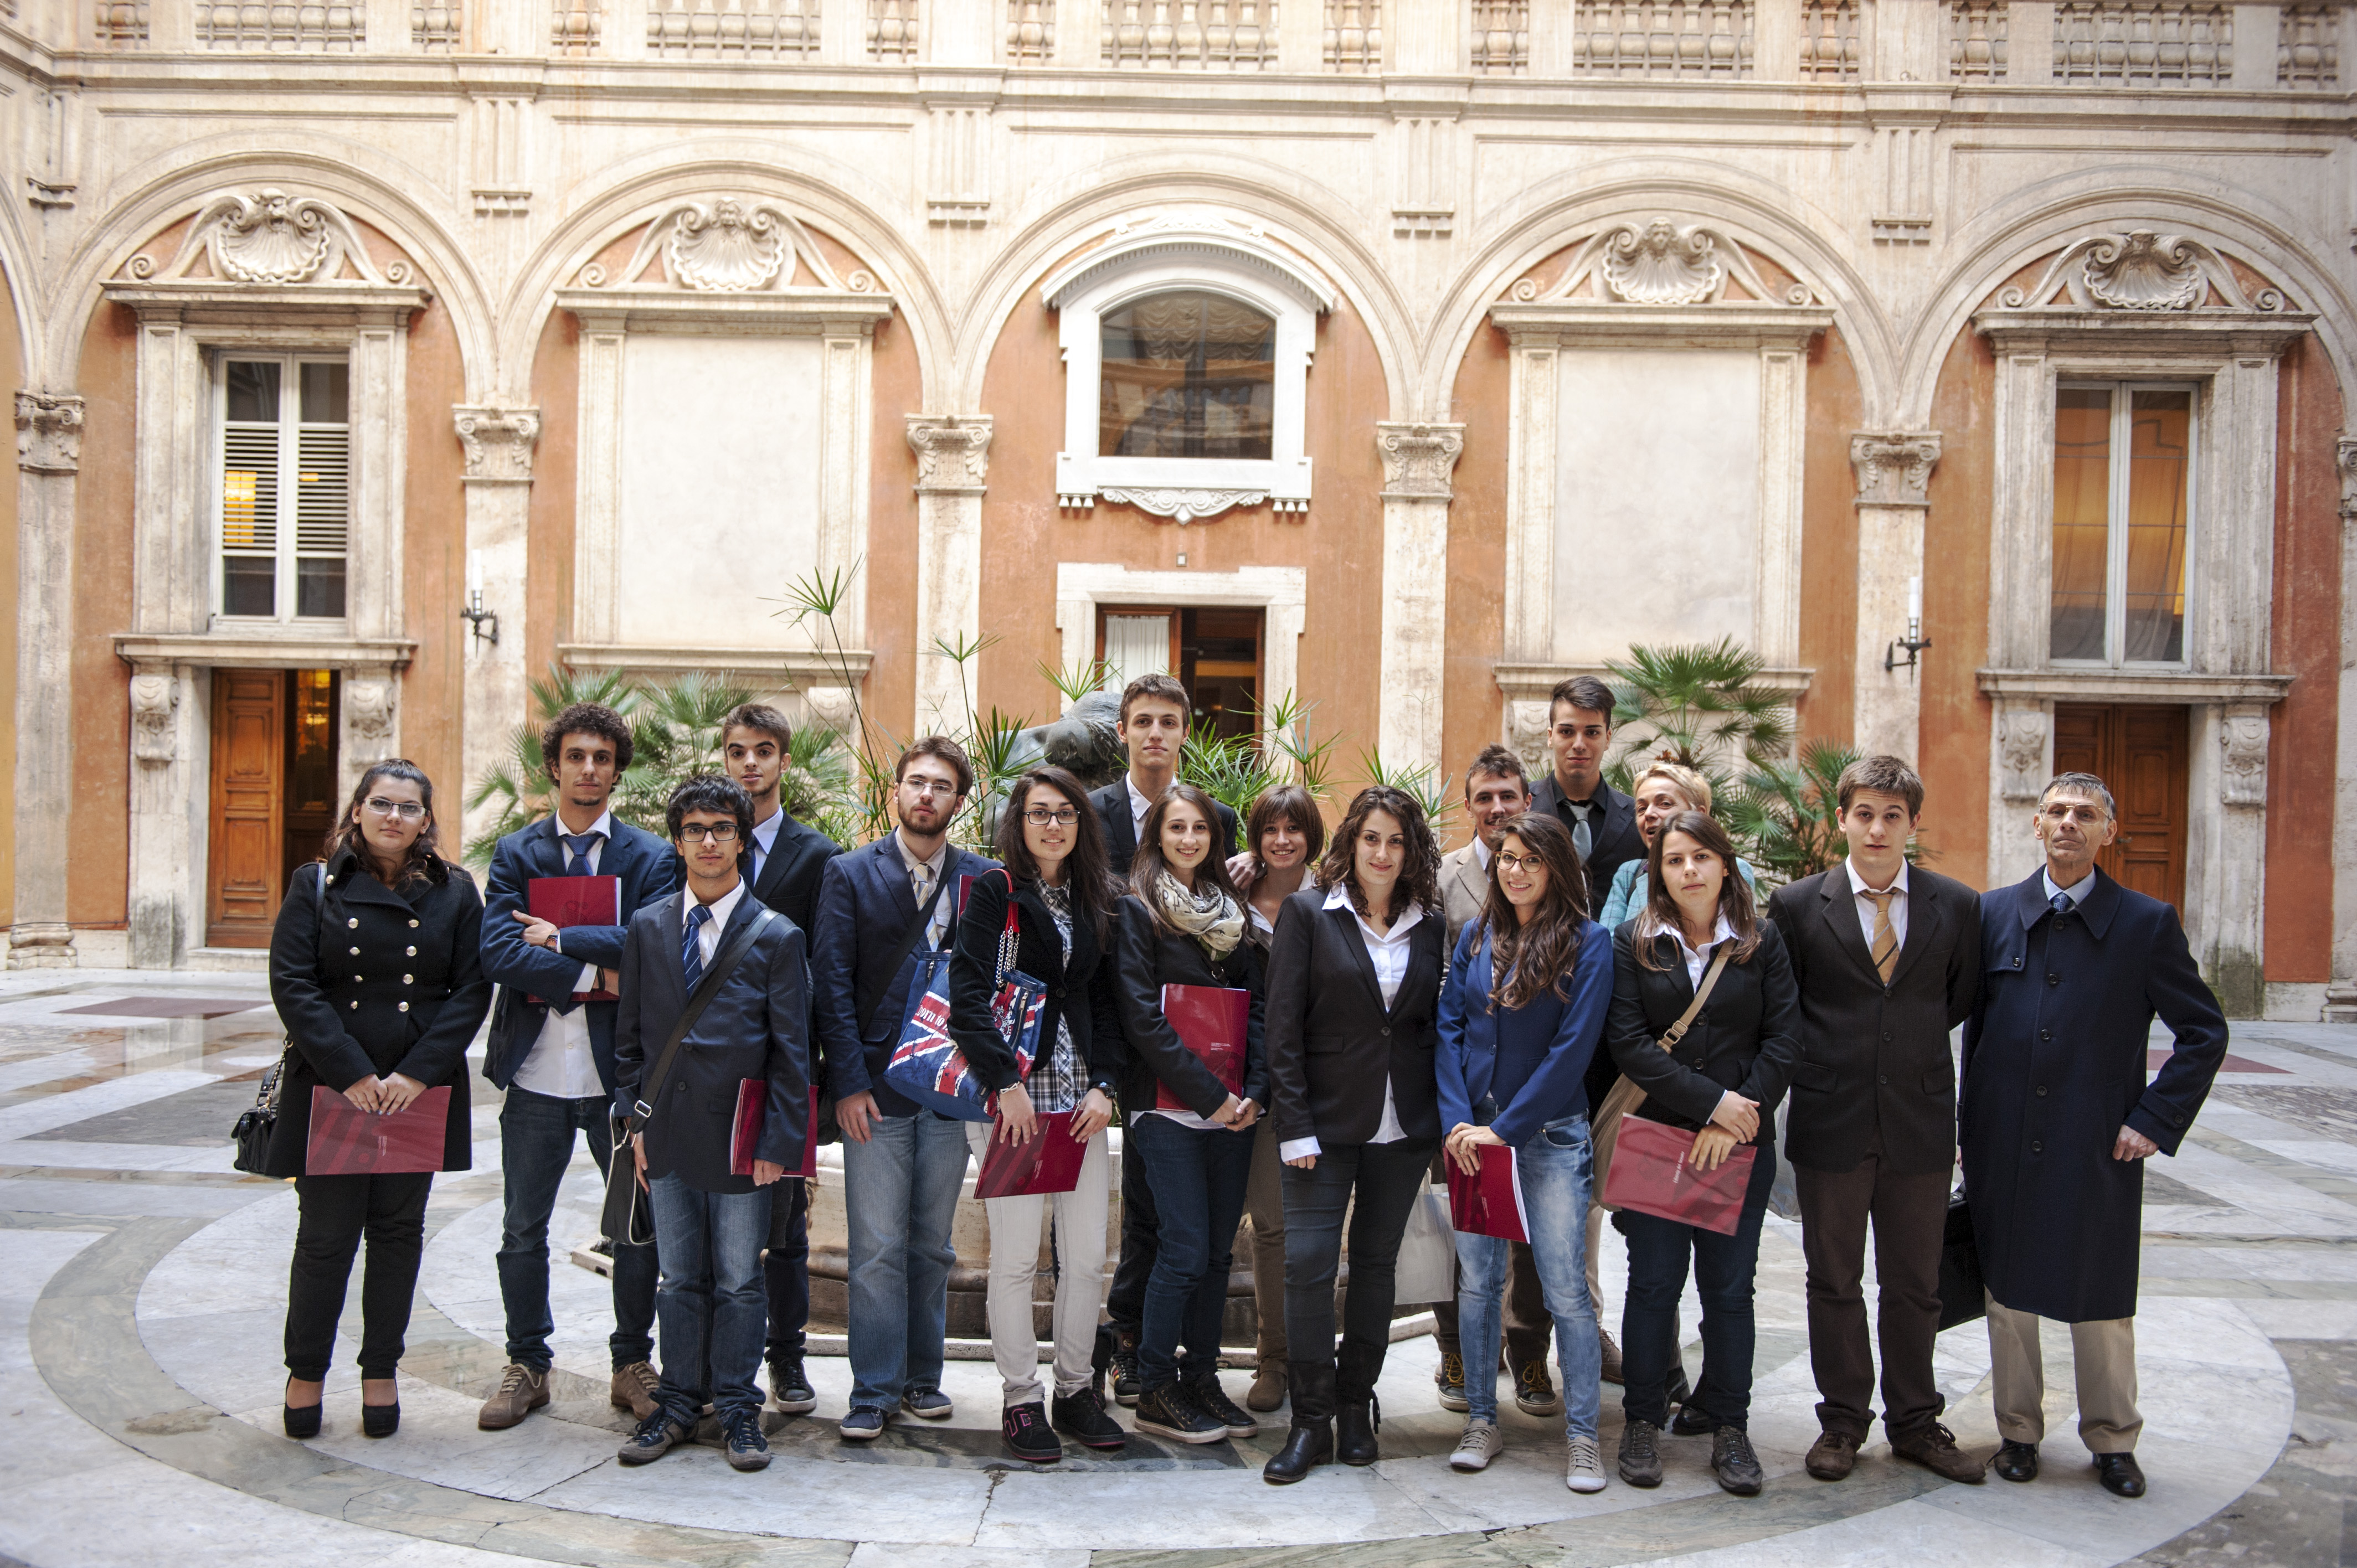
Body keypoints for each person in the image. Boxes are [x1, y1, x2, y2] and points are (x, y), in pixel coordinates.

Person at [1963, 772, 2228, 1499]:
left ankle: (2112, 1437)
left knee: (2099, 1296)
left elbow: (2204, 1032)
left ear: (2110, 833)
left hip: (2096, 1141)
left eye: (2086, 814)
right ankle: (2018, 1431)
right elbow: (1976, 1033)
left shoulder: (2146, 924)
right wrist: (1967, 1127)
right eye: (2056, 812)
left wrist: (2153, 1120)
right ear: (2037, 826)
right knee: (2008, 1298)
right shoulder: (1993, 914)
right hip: (2006, 1139)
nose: (2068, 824)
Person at [1766, 754, 1984, 1485]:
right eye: (1865, 813)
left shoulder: (1957, 907)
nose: (1878, 828)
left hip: (1920, 1121)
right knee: (1833, 1278)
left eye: (1893, 815)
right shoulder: (1798, 908)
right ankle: (1841, 1423)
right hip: (1833, 1120)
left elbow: (1955, 1000)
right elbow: (1785, 1008)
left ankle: (1917, 1422)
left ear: (1912, 824)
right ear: (1842, 821)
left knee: (1916, 1283)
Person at [269, 761, 491, 1440]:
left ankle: (380, 1371)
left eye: (409, 807)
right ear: (358, 810)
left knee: (397, 1235)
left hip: (413, 1094)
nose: (394, 817)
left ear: (427, 820)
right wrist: (351, 1072)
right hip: (337, 1090)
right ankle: (305, 1371)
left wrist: (417, 1075)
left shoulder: (456, 893)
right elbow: (292, 982)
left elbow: (470, 989)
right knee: (325, 1238)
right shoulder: (315, 885)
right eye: (381, 803)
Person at [478, 703, 678, 1431]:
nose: (588, 769)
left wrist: (559, 941)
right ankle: (527, 1364)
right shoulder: (517, 855)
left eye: (602, 757)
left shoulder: (650, 858)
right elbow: (497, 953)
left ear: (617, 771)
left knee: (634, 1226)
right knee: (521, 1228)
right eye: (576, 756)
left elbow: (650, 946)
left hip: (617, 1081)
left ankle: (631, 1364)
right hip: (536, 1072)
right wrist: (597, 978)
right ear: (554, 766)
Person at [611, 777, 810, 1473]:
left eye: (722, 828)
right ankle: (676, 1402)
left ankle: (735, 1406)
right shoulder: (648, 925)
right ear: (677, 840)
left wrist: (777, 1145)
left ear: (739, 839)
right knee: (677, 1280)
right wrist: (633, 1121)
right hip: (664, 1134)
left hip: (740, 1141)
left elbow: (792, 1051)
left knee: (738, 1281)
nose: (708, 841)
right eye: (694, 829)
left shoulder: (777, 936)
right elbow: (630, 1037)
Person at [1605, 810, 1800, 1497]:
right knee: (1653, 1284)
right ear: (1656, 873)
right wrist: (1710, 1106)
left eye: (1700, 858)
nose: (1688, 870)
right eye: (1673, 860)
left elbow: (1783, 1040)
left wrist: (1737, 1117)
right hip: (1659, 1140)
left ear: (1724, 865)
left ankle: (1729, 1426)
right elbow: (1627, 1043)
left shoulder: (1761, 941)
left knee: (1727, 1290)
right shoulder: (1635, 943)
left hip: (1740, 1148)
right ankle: (1640, 1420)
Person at [811, 737, 998, 1441]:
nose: (927, 795)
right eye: (915, 782)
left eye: (942, 786)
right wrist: (848, 1085)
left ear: (958, 800)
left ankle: (923, 1380)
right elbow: (830, 981)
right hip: (877, 1093)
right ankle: (872, 1389)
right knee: (877, 1245)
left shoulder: (984, 879)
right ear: (895, 792)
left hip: (951, 1092)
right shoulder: (849, 873)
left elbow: (997, 986)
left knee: (932, 1246)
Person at [1262, 785, 1447, 1484]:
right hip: (1323, 1128)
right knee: (1307, 1266)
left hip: (1404, 1130)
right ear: (1351, 842)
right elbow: (1282, 1029)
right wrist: (1294, 1125)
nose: (1382, 852)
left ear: (1411, 851)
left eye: (1396, 841)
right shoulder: (1310, 915)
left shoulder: (1430, 924)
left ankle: (1354, 1404)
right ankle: (1309, 1419)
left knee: (1376, 1268)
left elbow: (1431, 1026)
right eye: (1371, 838)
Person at [953, 766, 1129, 1463]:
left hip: (1080, 1108)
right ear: (1017, 823)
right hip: (1015, 1108)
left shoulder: (1096, 898)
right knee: (1018, 1260)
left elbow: (1109, 1006)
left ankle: (1077, 1388)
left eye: (1064, 813)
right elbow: (967, 995)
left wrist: (1106, 1085)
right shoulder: (994, 892)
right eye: (1038, 814)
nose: (1051, 825)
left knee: (1086, 1259)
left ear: (1081, 825)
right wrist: (1003, 1083)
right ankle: (1021, 1398)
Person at [1436, 811, 1613, 1492]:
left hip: (1546, 1139)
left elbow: (1572, 1053)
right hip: (1471, 1140)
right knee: (1477, 1283)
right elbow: (1448, 1027)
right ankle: (1481, 1419)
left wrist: (1503, 1131)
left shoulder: (1587, 943)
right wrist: (1458, 1124)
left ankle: (1581, 1436)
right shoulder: (1477, 935)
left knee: (1565, 1288)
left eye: (1529, 860)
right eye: (1506, 858)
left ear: (1555, 868)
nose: (1514, 870)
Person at [1090, 672, 1238, 1405]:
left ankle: (1167, 1354)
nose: (1155, 734)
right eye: (1142, 721)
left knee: (1170, 1213)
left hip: (1194, 1056)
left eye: (1168, 723)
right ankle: (1128, 1345)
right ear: (1123, 729)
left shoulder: (1217, 818)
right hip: (1114, 1038)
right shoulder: (1092, 814)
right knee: (1146, 1208)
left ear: (1185, 733)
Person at [1111, 782, 1268, 1445]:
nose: (1188, 840)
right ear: (1157, 836)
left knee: (1213, 1255)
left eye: (1199, 829)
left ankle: (1201, 1379)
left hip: (1233, 1113)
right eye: (1176, 828)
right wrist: (1212, 1096)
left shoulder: (1231, 914)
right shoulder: (1135, 910)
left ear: (1214, 837)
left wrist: (1253, 1091)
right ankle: (1153, 1386)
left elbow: (1256, 1006)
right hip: (1165, 1107)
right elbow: (1141, 1018)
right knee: (1179, 1249)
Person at [1431, 745, 1568, 1415]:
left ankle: (1528, 1354)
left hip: (1531, 1101)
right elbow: (1439, 995)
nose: (1494, 809)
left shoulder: (1555, 870)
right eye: (1482, 797)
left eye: (1506, 796)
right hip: (1462, 1091)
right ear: (1467, 806)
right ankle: (1453, 1349)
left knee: (1534, 1243)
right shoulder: (1442, 875)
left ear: (1527, 801)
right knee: (1463, 1229)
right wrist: (1455, 1109)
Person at [721, 703, 842, 1419]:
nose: (751, 764)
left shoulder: (816, 855)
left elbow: (827, 967)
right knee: (716, 1222)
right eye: (738, 751)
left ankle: (788, 1363)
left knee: (786, 1230)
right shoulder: (705, 843)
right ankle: (713, 1362)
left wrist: (819, 1071)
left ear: (784, 761)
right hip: (711, 1065)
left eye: (764, 751)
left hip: (785, 1066)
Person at [1235, 783, 1323, 1413]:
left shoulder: (1332, 900)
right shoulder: (1228, 899)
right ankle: (1273, 1358)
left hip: (1314, 1083)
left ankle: (1313, 1357)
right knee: (1268, 1225)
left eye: (1294, 828)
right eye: (1270, 828)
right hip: (1239, 1083)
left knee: (1310, 1229)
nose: (1282, 840)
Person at [1596, 762, 1759, 929]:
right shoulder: (1629, 874)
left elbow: (1744, 938)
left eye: (1665, 803)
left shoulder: (1733, 870)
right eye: (1642, 808)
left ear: (1699, 814)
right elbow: (1608, 944)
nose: (1650, 814)